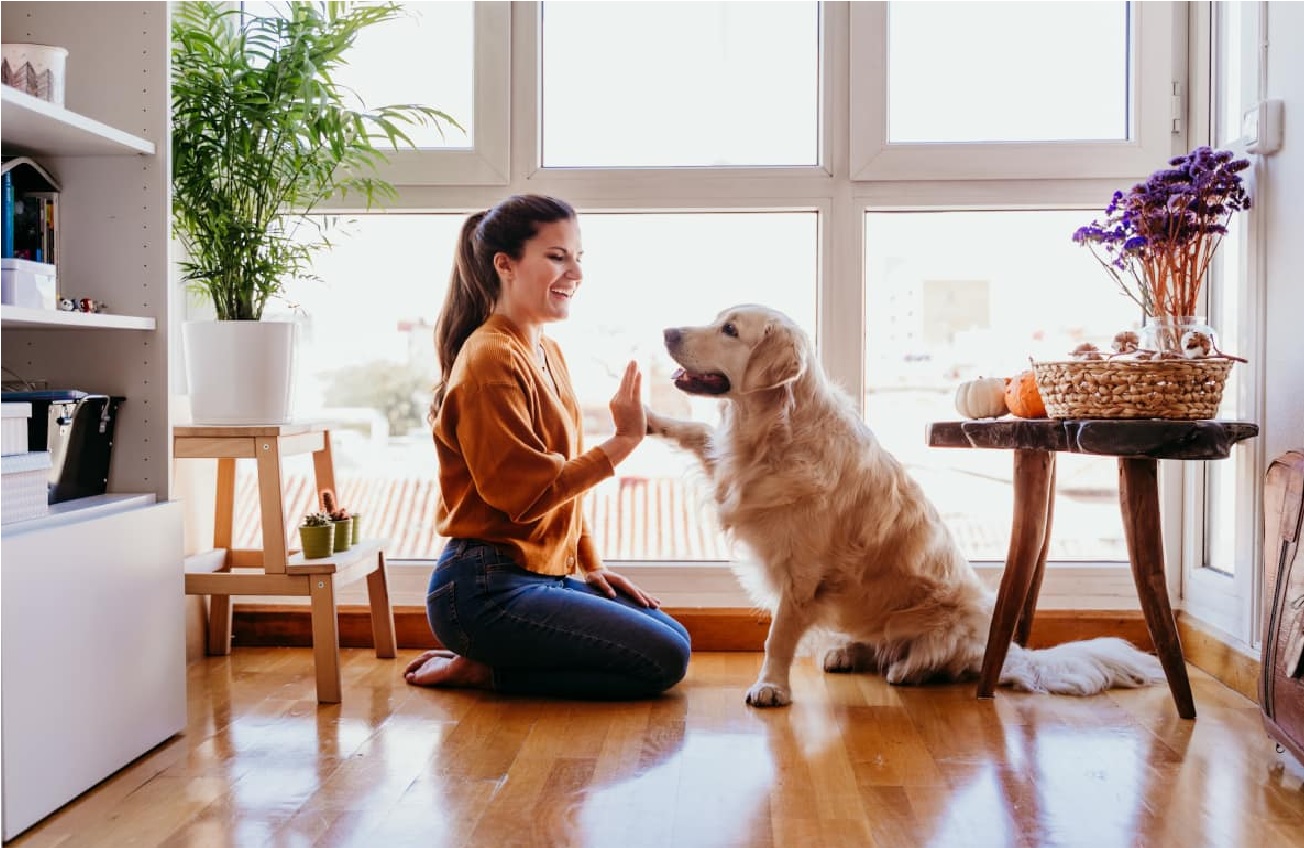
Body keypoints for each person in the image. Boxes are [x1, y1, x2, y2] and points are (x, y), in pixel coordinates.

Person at [404, 194, 691, 699]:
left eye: (578, 258)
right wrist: (624, 441)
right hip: (483, 588)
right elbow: (525, 496)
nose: (575, 273)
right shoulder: (490, 359)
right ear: (505, 265)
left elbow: (563, 484)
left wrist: (590, 564)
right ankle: (485, 670)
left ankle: (493, 661)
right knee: (663, 658)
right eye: (557, 257)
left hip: (541, 574)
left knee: (674, 637)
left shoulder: (546, 350)